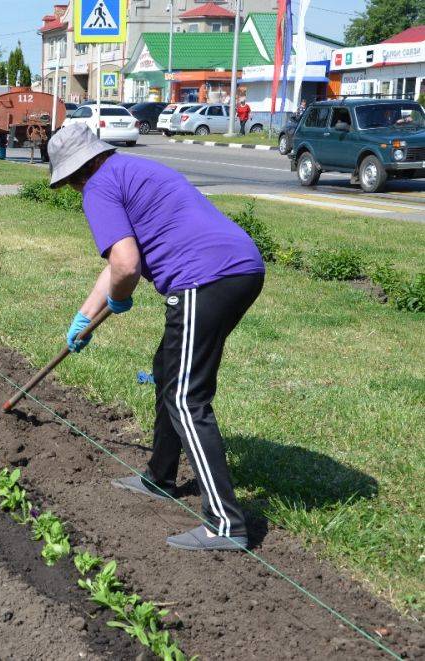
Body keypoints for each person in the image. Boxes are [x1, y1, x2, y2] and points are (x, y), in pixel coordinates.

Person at [47, 123, 265, 551]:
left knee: (186, 396)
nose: (73, 190)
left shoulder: (98, 187)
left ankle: (226, 524)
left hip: (206, 278)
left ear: (76, 173)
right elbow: (117, 263)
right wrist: (85, 316)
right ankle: (161, 478)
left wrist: (120, 299)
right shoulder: (129, 169)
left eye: (69, 182)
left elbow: (126, 267)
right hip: (239, 268)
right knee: (168, 372)